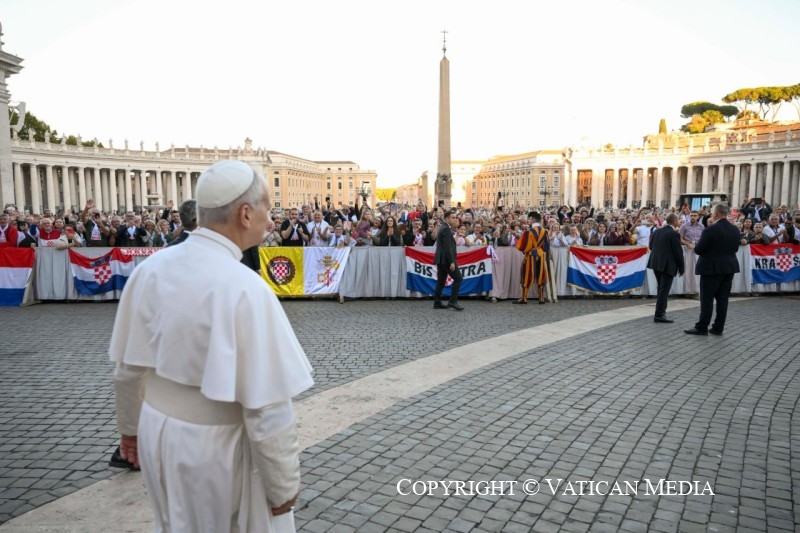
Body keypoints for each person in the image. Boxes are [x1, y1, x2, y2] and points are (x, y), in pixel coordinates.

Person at [110, 160, 314, 532]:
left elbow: (127, 369)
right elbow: (268, 410)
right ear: (246, 214)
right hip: (216, 450)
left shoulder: (151, 269)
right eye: (268, 208)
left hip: (157, 431)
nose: (272, 218)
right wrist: (283, 485)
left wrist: (130, 429)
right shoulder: (247, 288)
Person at [685, 203, 741, 336]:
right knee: (723, 299)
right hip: (729, 267)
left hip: (711, 268)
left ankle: (702, 326)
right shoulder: (735, 229)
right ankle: (718, 327)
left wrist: (698, 245)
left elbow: (698, 250)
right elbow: (736, 248)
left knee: (707, 299)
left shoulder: (711, 229)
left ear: (715, 214)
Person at [647, 213, 685, 323]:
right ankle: (659, 314)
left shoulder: (657, 231)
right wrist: (681, 267)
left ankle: (659, 313)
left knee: (661, 288)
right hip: (667, 265)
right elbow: (678, 252)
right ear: (674, 221)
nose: (679, 221)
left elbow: (650, 246)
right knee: (664, 290)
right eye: (678, 219)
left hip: (656, 263)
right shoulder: (674, 234)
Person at [513, 211, 550, 305]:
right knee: (540, 275)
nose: (528, 221)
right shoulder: (544, 231)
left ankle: (524, 298)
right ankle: (541, 298)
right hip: (540, 255)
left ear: (533, 219)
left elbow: (522, 246)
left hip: (530, 255)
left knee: (527, 274)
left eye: (529, 219)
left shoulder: (528, 232)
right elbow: (546, 247)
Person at [433, 210, 463, 311]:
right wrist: (452, 262)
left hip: (441, 259)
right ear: (446, 219)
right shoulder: (445, 229)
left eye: (455, 217)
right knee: (458, 278)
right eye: (452, 218)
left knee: (441, 281)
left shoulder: (444, 228)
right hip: (446, 260)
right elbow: (447, 247)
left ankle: (437, 302)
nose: (454, 219)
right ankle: (452, 301)